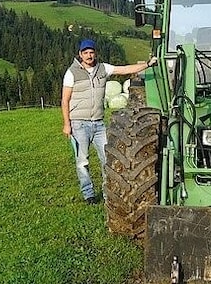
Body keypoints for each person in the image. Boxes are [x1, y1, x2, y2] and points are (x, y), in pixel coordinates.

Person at [61, 39, 157, 205]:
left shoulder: (103, 68)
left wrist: (147, 64)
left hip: (98, 123)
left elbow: (125, 69)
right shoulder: (71, 73)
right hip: (78, 123)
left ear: (95, 53)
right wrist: (67, 124)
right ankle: (88, 194)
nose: (89, 55)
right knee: (82, 161)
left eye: (91, 52)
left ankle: (109, 193)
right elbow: (65, 100)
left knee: (108, 159)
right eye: (85, 53)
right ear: (80, 55)